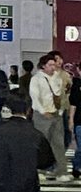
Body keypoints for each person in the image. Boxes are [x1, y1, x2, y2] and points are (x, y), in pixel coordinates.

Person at [28, 53, 69, 181]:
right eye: (50, 65)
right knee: (41, 143)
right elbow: (35, 97)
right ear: (43, 66)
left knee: (58, 144)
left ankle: (61, 171)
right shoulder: (36, 79)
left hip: (56, 114)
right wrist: (42, 111)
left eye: (54, 65)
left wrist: (60, 111)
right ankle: (39, 170)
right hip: (41, 115)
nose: (53, 67)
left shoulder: (58, 78)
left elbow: (61, 96)